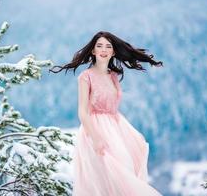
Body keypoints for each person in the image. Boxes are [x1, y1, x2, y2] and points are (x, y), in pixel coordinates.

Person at [50, 31, 163, 196]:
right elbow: (82, 111)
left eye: (108, 46)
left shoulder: (113, 76)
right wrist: (96, 138)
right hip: (94, 130)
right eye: (99, 46)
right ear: (93, 51)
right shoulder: (85, 77)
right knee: (104, 180)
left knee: (124, 173)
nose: (104, 49)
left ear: (113, 52)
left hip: (117, 128)